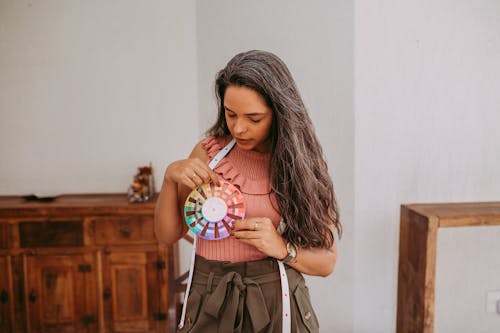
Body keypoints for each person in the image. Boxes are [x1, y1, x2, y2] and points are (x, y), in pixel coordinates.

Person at [154, 50, 341, 333]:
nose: (239, 128)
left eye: (254, 119)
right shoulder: (208, 154)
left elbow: (326, 262)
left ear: (280, 114)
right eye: (231, 114)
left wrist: (282, 248)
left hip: (276, 303)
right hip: (210, 298)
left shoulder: (301, 167)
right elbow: (167, 235)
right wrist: (170, 179)